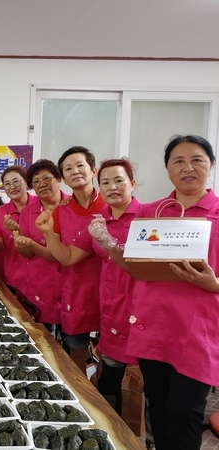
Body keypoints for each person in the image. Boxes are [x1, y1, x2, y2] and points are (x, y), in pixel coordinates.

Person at [95, 135, 219, 449]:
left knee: (185, 412)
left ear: (211, 166)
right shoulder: (151, 213)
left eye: (197, 160)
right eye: (178, 161)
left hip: (197, 333)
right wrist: (108, 243)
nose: (187, 167)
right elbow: (134, 266)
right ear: (167, 169)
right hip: (153, 327)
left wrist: (214, 285)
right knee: (159, 408)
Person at [36, 158, 141, 414]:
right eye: (107, 182)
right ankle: (90, 407)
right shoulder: (92, 217)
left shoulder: (143, 215)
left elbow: (140, 268)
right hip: (85, 294)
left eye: (118, 181)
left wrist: (108, 243)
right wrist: (49, 232)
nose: (112, 187)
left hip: (131, 304)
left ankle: (121, 423)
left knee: (128, 370)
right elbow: (69, 256)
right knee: (88, 355)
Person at [36, 146, 105, 375]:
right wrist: (47, 233)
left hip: (110, 291)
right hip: (76, 290)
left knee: (110, 356)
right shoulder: (61, 211)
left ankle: (105, 398)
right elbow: (61, 255)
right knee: (76, 350)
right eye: (68, 168)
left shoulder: (109, 205)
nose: (75, 171)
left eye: (80, 166)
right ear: (63, 178)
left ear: (93, 170)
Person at [11, 159, 68, 333]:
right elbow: (27, 255)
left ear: (58, 179)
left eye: (46, 179)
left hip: (71, 282)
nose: (41, 184)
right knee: (44, 336)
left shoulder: (73, 207)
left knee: (73, 340)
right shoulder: (28, 212)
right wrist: (22, 244)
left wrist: (31, 244)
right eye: (35, 182)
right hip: (41, 283)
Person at [0, 165, 38, 295]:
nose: (12, 187)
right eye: (7, 184)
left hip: (41, 272)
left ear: (26, 182)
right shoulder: (2, 212)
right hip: (15, 272)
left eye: (16, 181)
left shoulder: (40, 205)